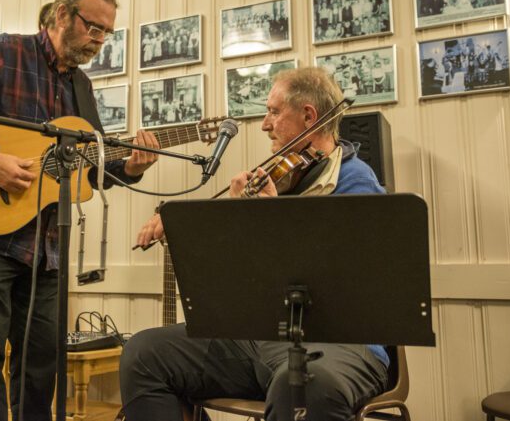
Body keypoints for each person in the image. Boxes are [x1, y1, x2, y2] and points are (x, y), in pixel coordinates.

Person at [0, 0, 160, 421]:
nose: (99, 40)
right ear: (62, 14)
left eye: (107, 33)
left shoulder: (81, 88)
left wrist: (132, 166)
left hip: (45, 246)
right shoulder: (7, 52)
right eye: (93, 27)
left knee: (40, 363)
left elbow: (92, 167)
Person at [120, 67, 390, 421]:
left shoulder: (355, 182)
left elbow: (340, 283)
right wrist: (188, 226)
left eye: (274, 112)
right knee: (143, 353)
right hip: (260, 340)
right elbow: (242, 275)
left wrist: (266, 217)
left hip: (338, 344)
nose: (264, 125)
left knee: (304, 385)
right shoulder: (284, 176)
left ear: (308, 116)